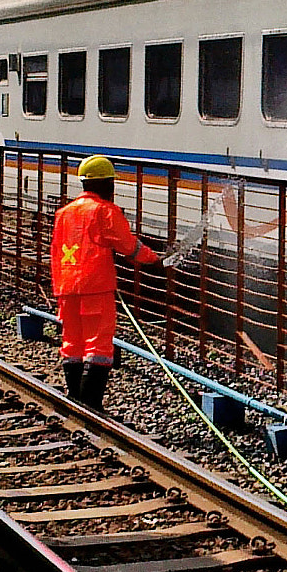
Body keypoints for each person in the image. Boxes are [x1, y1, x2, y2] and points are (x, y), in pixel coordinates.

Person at [49, 155, 161, 409]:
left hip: (66, 285)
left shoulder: (63, 213)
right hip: (95, 286)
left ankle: (75, 399)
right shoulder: (105, 211)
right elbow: (128, 246)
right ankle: (91, 404)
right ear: (107, 184)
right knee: (98, 345)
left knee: (72, 343)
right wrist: (154, 260)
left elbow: (55, 250)